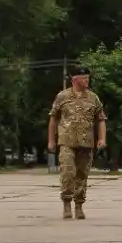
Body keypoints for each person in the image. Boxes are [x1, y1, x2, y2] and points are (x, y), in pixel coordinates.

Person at [47, 66, 107, 219]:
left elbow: (101, 119)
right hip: (66, 141)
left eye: (88, 77)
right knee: (68, 173)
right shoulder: (62, 96)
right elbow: (53, 118)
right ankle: (67, 203)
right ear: (74, 79)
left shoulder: (93, 98)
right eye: (84, 78)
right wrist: (51, 141)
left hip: (86, 143)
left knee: (82, 175)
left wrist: (101, 139)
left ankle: (79, 205)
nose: (87, 80)